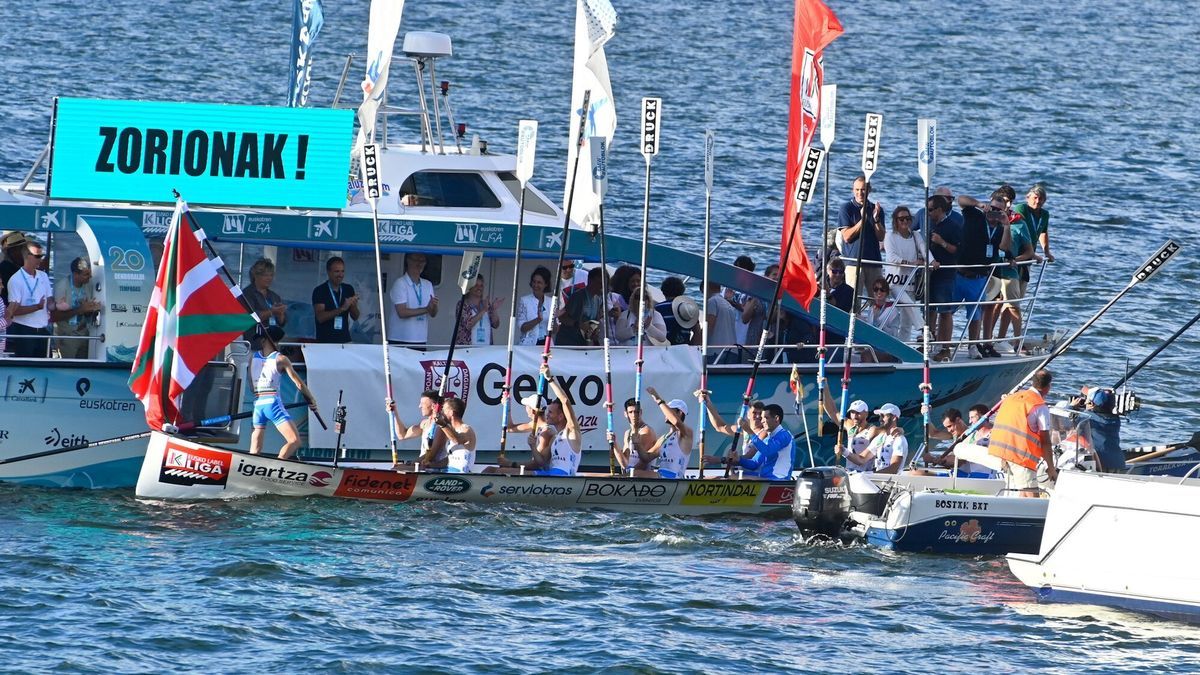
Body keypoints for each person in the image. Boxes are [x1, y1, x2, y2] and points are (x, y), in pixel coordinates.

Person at [248, 326, 318, 460]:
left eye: (261, 339)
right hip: (273, 403)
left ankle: (249, 468)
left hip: (257, 405)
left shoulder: (252, 358)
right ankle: (276, 467)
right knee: (295, 441)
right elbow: (298, 383)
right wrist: (311, 399)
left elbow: (252, 387)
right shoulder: (281, 359)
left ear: (264, 340)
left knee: (255, 449)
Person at [955, 194, 1011, 360]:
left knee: (975, 314)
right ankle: (940, 343)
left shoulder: (1000, 229)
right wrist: (979, 204)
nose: (994, 213)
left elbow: (1004, 247)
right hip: (960, 272)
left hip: (980, 276)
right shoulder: (975, 216)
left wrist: (1007, 226)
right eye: (992, 208)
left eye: (999, 211)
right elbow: (961, 200)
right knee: (946, 310)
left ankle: (973, 346)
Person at [989, 368, 1058, 496]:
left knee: (1022, 491)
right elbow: (1045, 441)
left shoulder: (1012, 398)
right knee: (1031, 496)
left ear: (1033, 383)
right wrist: (1051, 468)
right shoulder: (1039, 406)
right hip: (1021, 457)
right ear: (1048, 387)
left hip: (1002, 453)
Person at [883, 205, 936, 342]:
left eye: (907, 218)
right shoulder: (890, 236)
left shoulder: (915, 235)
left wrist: (932, 261)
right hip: (894, 282)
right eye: (901, 219)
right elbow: (892, 258)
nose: (905, 222)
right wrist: (912, 263)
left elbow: (924, 250)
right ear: (896, 221)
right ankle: (924, 329)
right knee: (910, 305)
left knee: (906, 323)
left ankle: (901, 351)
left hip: (910, 282)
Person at [925, 195, 960, 360]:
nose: (928, 213)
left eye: (931, 210)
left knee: (945, 312)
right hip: (930, 274)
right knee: (929, 309)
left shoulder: (953, 226)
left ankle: (945, 347)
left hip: (946, 275)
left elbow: (959, 251)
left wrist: (942, 243)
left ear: (939, 210)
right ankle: (928, 343)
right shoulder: (929, 224)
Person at [837, 175, 886, 293]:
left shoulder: (876, 209)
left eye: (863, 189)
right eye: (857, 190)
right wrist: (862, 221)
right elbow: (847, 237)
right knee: (853, 303)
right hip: (853, 264)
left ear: (869, 190)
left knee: (878, 301)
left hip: (874, 262)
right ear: (853, 190)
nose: (860, 193)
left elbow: (881, 237)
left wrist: (876, 220)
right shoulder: (846, 208)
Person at [4, 239, 52, 358]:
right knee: (26, 367)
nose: (40, 259)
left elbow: (49, 299)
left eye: (41, 255)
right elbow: (14, 311)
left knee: (47, 365)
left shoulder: (43, 275)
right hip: (24, 330)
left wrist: (55, 305)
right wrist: (36, 307)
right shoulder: (15, 280)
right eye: (37, 256)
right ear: (27, 256)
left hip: (42, 329)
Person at [537, 363, 583, 476]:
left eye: (551, 412)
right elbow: (541, 461)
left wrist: (549, 379)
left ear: (561, 416)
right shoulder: (553, 439)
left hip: (563, 476)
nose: (547, 415)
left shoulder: (572, 431)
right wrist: (532, 446)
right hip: (551, 475)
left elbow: (565, 401)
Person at [818, 384, 878, 472]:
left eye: (858, 413)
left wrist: (844, 451)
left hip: (866, 475)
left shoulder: (872, 430)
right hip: (850, 473)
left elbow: (862, 459)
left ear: (866, 414)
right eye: (852, 412)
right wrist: (825, 387)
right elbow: (832, 411)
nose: (855, 416)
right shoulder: (850, 426)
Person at [920, 407, 994, 477]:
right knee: (916, 473)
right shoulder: (955, 435)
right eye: (946, 428)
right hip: (957, 473)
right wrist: (926, 416)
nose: (949, 430)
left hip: (966, 476)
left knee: (918, 474)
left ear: (958, 420)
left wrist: (933, 459)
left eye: (950, 426)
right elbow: (933, 434)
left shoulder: (972, 436)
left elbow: (959, 462)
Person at [490, 394, 554, 474]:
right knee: (489, 470)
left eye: (527, 406)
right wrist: (507, 407)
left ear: (533, 411)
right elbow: (510, 428)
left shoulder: (545, 432)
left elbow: (538, 464)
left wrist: (510, 464)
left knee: (500, 471)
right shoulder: (534, 425)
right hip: (535, 469)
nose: (525, 408)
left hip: (541, 473)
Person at [52, 257, 101, 359]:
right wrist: (80, 309)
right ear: (75, 274)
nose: (90, 276)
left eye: (90, 273)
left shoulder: (88, 285)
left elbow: (86, 310)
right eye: (86, 274)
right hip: (67, 336)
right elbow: (54, 316)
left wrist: (90, 310)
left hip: (84, 333)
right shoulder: (62, 286)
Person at [386, 389, 448, 470]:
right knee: (396, 468)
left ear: (433, 406)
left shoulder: (441, 426)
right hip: (422, 466)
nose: (419, 406)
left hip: (433, 469)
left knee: (396, 469)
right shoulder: (424, 424)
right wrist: (394, 412)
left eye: (422, 403)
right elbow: (402, 435)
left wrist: (410, 464)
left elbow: (431, 455)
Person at [642, 387, 695, 479]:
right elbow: (646, 457)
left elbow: (676, 422)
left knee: (634, 474)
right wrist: (636, 444)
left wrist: (658, 399)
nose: (665, 413)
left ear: (680, 413)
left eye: (670, 410)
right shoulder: (664, 438)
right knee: (632, 473)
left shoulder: (687, 433)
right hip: (661, 476)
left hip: (674, 478)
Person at [558, 266, 618, 346]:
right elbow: (562, 317)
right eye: (600, 283)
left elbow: (594, 321)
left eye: (605, 284)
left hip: (583, 343)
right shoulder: (578, 297)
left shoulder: (598, 298)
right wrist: (578, 324)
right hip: (568, 341)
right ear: (590, 281)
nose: (603, 287)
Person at [388, 252, 438, 346]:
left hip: (420, 338)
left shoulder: (428, 284)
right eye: (415, 260)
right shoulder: (400, 283)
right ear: (408, 261)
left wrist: (434, 307)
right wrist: (426, 309)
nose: (419, 264)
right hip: (400, 338)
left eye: (422, 261)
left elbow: (433, 313)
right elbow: (402, 312)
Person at [732, 403, 794, 480]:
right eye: (762, 418)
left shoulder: (785, 435)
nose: (762, 421)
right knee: (735, 476)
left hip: (779, 479)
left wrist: (749, 430)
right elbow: (754, 463)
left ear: (776, 418)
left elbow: (768, 451)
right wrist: (738, 459)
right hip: (765, 478)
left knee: (737, 477)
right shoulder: (767, 439)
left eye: (766, 418)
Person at [844, 403, 907, 474]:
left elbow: (893, 468)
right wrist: (844, 452)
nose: (880, 419)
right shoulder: (880, 438)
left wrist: (871, 475)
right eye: (880, 416)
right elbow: (861, 459)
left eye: (883, 416)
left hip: (891, 482)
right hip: (877, 480)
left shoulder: (899, 439)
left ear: (894, 418)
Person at [312, 256, 359, 344]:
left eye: (342, 271)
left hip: (345, 340)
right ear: (328, 272)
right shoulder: (320, 290)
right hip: (325, 341)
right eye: (337, 271)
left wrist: (353, 305)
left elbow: (355, 317)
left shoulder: (348, 289)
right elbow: (320, 317)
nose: (340, 275)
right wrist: (342, 308)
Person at [242, 258, 287, 340]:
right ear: (256, 276)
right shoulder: (247, 294)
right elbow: (251, 318)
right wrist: (271, 312)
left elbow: (282, 323)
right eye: (265, 275)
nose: (269, 278)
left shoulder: (274, 296)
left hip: (271, 342)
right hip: (252, 341)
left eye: (271, 275)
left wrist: (281, 314)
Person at [1084, 387, 1124, 473]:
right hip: (1117, 462)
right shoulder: (1116, 419)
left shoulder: (1087, 418)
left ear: (1092, 404)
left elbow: (1066, 423)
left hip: (1100, 462)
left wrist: (1071, 406)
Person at [613, 397, 657, 475]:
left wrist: (627, 476)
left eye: (636, 412)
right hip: (630, 476)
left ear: (641, 412)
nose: (634, 415)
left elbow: (644, 462)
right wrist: (614, 444)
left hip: (642, 477)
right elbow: (624, 463)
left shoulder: (646, 431)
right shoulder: (627, 433)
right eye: (630, 412)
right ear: (625, 414)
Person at [455, 274, 502, 346]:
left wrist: (494, 310)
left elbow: (496, 325)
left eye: (481, 285)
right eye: (476, 285)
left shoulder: (486, 303)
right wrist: (483, 310)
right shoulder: (462, 304)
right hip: (467, 350)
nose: (479, 288)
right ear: (469, 287)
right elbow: (468, 325)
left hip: (485, 350)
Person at [435, 397, 477, 473]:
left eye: (443, 410)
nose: (441, 412)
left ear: (451, 413)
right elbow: (450, 459)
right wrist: (431, 465)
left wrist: (443, 425)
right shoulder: (451, 431)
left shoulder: (466, 429)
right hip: (448, 472)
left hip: (461, 475)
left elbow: (457, 440)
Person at [1013, 184, 1053, 264]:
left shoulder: (1045, 214)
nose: (1037, 201)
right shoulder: (1021, 208)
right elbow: (1020, 230)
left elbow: (1043, 233)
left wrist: (1047, 252)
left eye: (1040, 199)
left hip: (1030, 254)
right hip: (1018, 251)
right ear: (1027, 198)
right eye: (1035, 198)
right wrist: (1033, 255)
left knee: (1026, 275)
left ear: (1044, 200)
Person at [702, 281, 738, 363]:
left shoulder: (712, 301)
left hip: (716, 351)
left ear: (705, 288)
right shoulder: (728, 305)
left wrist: (698, 344)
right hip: (731, 350)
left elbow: (709, 325)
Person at [516, 266, 552, 346]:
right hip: (529, 345)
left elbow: (555, 330)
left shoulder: (551, 301)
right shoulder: (524, 301)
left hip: (547, 345)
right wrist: (538, 320)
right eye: (534, 282)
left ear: (546, 284)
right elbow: (522, 327)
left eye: (539, 282)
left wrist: (555, 317)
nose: (535, 285)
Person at [858, 277, 902, 344]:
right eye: (876, 289)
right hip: (873, 343)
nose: (879, 292)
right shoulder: (872, 308)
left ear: (887, 293)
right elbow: (871, 329)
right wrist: (862, 321)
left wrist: (877, 320)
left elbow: (894, 335)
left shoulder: (893, 311)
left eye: (882, 290)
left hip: (887, 345)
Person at [656, 277, 695, 345]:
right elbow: (697, 332)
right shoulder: (689, 309)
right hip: (683, 348)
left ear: (663, 291)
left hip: (663, 347)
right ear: (682, 291)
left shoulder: (658, 308)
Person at [0, 231, 27, 304]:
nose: (26, 253)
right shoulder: (5, 270)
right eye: (23, 249)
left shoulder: (17, 267)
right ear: (12, 251)